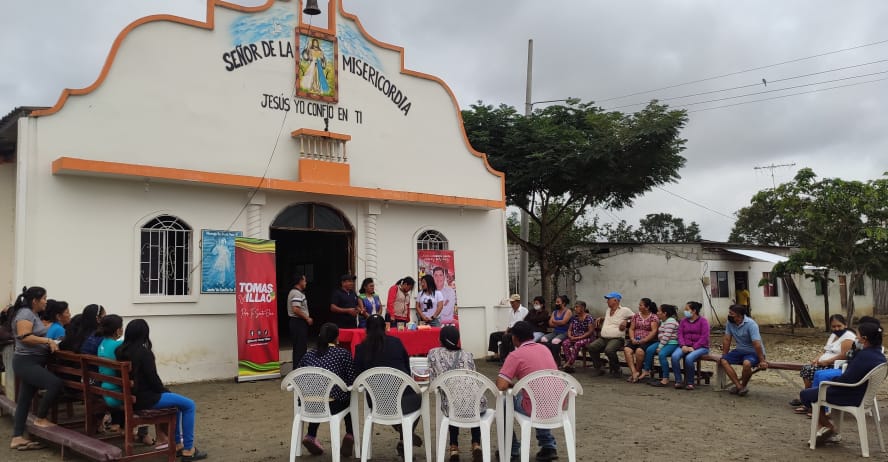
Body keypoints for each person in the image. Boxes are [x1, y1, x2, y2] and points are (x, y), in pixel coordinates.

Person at [116, 319, 207, 461]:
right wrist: (166, 391)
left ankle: (177, 445)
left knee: (176, 403)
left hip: (132, 398)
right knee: (189, 405)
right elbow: (154, 381)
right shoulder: (144, 353)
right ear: (144, 334)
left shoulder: (120, 351)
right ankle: (189, 450)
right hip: (147, 400)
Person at [802, 321, 886, 445]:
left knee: (806, 395)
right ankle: (826, 428)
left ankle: (828, 427)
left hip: (850, 395)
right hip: (863, 395)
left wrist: (831, 382)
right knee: (816, 392)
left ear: (864, 339)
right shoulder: (880, 356)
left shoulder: (863, 356)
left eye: (857, 335)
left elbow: (847, 379)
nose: (856, 338)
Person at [354, 315, 422, 457]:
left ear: (366, 330)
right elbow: (406, 368)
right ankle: (404, 436)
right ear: (385, 327)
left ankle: (402, 431)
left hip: (376, 401)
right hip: (403, 398)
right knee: (419, 398)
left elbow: (358, 376)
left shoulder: (360, 349)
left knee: (393, 405)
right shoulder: (396, 343)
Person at [8, 286, 62, 452]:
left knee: (24, 400)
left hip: (32, 362)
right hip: (26, 362)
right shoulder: (25, 314)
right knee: (55, 384)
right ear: (35, 301)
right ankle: (40, 418)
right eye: (44, 298)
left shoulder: (32, 314)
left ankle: (17, 438)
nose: (46, 302)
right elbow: (25, 337)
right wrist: (48, 341)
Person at [496, 321, 559, 462]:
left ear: (515, 338)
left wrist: (512, 384)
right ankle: (548, 446)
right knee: (538, 395)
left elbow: (501, 385)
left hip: (534, 405)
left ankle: (510, 448)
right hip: (557, 402)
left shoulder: (515, 355)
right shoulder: (544, 349)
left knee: (505, 402)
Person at [297, 323, 356, 457]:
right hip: (332, 406)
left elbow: (298, 375)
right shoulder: (342, 354)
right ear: (336, 338)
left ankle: (311, 435)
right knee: (348, 397)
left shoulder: (308, 355)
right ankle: (350, 433)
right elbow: (352, 379)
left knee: (318, 394)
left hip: (308, 405)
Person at [97, 315, 157, 445]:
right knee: (144, 392)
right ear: (118, 330)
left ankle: (127, 429)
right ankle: (143, 434)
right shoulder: (119, 345)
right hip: (117, 394)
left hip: (106, 390)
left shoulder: (101, 345)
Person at [428, 325, 484, 462]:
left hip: (452, 404)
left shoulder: (433, 353)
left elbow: (433, 382)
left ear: (441, 339)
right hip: (476, 403)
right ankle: (476, 444)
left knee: (452, 403)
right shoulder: (467, 355)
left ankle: (454, 448)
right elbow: (473, 378)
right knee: (471, 399)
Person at [789, 314, 855, 414]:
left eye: (839, 326)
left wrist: (826, 362)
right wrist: (816, 359)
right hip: (824, 363)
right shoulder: (833, 335)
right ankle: (809, 401)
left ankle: (814, 404)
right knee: (806, 368)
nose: (836, 328)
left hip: (834, 365)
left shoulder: (848, 337)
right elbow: (825, 350)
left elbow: (843, 356)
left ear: (845, 325)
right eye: (833, 326)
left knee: (812, 371)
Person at [719, 304, 768, 396]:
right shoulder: (730, 323)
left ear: (739, 315)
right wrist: (724, 355)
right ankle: (739, 387)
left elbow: (757, 344)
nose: (729, 315)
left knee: (747, 364)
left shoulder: (751, 324)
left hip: (754, 352)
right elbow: (727, 339)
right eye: (729, 313)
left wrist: (762, 360)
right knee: (723, 360)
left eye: (731, 313)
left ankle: (743, 386)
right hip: (740, 350)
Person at [587, 292, 634, 378]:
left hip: (617, 339)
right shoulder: (608, 310)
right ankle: (599, 368)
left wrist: (627, 321)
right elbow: (612, 319)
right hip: (603, 338)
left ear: (615, 300)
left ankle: (616, 369)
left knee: (609, 350)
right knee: (591, 347)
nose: (607, 301)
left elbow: (636, 318)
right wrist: (602, 318)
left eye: (609, 299)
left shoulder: (625, 310)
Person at [670, 301, 711, 390]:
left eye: (687, 309)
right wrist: (683, 345)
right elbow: (680, 334)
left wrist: (694, 347)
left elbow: (704, 337)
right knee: (674, 356)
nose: (685, 311)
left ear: (694, 311)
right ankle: (678, 381)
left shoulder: (703, 321)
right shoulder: (683, 321)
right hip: (685, 345)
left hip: (701, 347)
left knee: (689, 358)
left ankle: (690, 382)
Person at [643, 304, 680, 387]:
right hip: (663, 342)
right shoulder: (663, 321)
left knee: (662, 354)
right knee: (649, 350)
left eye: (659, 311)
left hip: (672, 343)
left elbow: (667, 336)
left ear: (665, 313)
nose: (657, 312)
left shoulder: (670, 321)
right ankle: (646, 370)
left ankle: (665, 378)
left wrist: (660, 347)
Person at [624, 298, 659, 383]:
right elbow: (631, 329)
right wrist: (632, 338)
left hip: (648, 341)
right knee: (627, 350)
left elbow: (654, 331)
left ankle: (638, 371)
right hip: (635, 339)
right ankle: (634, 372)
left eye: (641, 305)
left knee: (639, 351)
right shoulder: (636, 316)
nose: (639, 306)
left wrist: (644, 340)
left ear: (647, 307)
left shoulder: (653, 317)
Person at [486, 294, 527, 362]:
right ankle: (496, 355)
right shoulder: (511, 311)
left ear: (518, 302)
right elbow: (510, 323)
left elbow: (524, 324)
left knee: (505, 337)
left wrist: (511, 332)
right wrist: (506, 330)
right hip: (511, 330)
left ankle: (504, 357)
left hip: (518, 332)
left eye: (513, 302)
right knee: (493, 335)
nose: (511, 304)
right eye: (511, 302)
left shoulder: (524, 310)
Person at [560, 301, 597, 374]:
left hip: (587, 338)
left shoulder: (588, 318)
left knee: (577, 344)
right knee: (565, 343)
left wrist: (578, 338)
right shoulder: (574, 318)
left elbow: (590, 331)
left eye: (577, 307)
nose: (575, 309)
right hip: (575, 337)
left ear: (582, 308)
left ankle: (569, 363)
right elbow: (570, 329)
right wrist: (570, 336)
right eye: (575, 307)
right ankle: (570, 365)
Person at [287, 274, 312, 367]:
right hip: (298, 322)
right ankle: (298, 369)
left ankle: (299, 368)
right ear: (300, 281)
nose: (306, 283)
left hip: (298, 322)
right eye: (304, 280)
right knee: (299, 348)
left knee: (300, 347)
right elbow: (296, 309)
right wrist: (307, 318)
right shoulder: (296, 293)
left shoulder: (298, 292)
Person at [539, 295, 572, 366]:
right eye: (556, 302)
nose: (556, 303)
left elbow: (563, 322)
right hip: (555, 332)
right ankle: (549, 358)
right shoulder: (555, 312)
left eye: (558, 302)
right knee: (543, 339)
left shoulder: (568, 311)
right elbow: (550, 323)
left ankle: (556, 360)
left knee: (555, 341)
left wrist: (555, 321)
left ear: (563, 303)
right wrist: (558, 323)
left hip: (564, 333)